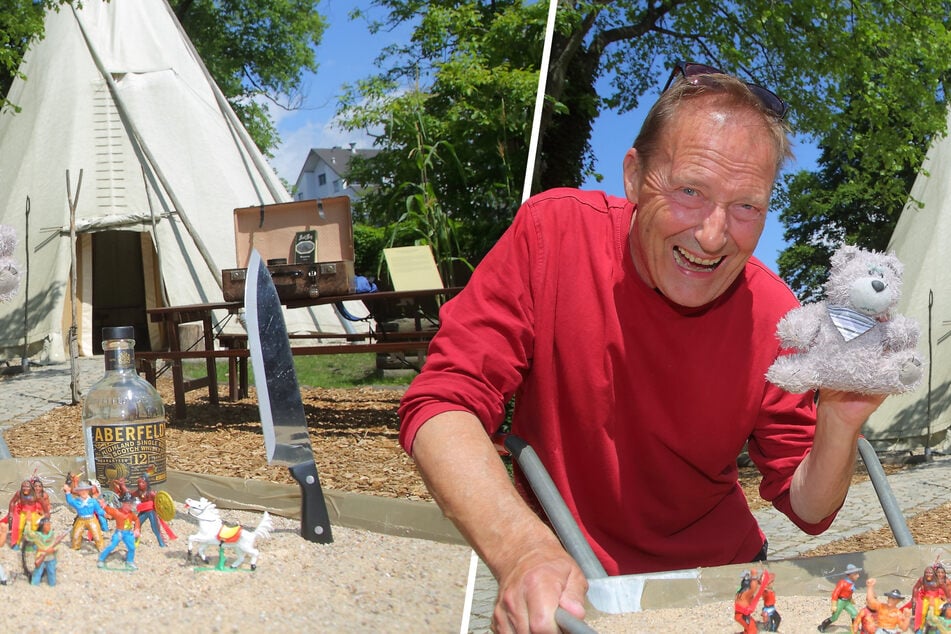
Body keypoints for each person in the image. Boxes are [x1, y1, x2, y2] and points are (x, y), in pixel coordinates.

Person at [398, 61, 888, 633]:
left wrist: (839, 420)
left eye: (746, 206)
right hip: (573, 585)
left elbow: (810, 511)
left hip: (724, 587)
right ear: (634, 176)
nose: (711, 236)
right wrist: (521, 549)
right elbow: (441, 405)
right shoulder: (551, 235)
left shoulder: (776, 313)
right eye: (689, 191)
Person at [98, 492, 141, 570]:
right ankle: (101, 559)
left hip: (128, 533)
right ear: (123, 503)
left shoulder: (131, 514)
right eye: (129, 503)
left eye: (131, 503)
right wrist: (103, 505)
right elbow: (109, 510)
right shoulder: (117, 512)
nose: (131, 505)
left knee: (132, 547)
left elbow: (137, 520)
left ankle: (129, 561)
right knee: (111, 546)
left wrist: (137, 529)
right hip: (119, 533)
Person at [819, 563, 863, 632]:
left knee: (854, 613)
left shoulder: (852, 583)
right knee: (834, 617)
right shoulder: (842, 583)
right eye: (856, 574)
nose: (858, 576)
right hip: (840, 602)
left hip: (847, 602)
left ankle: (855, 628)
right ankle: (823, 625)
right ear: (851, 575)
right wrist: (834, 605)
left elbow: (849, 592)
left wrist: (851, 599)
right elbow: (835, 593)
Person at [23, 517, 61, 586]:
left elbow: (56, 544)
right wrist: (28, 522)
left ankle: (52, 584)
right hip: (41, 555)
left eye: (49, 524)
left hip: (51, 557)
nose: (49, 526)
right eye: (47, 525)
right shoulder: (37, 536)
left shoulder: (51, 534)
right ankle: (34, 584)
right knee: (38, 572)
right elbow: (28, 534)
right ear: (42, 526)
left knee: (51, 571)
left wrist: (54, 549)